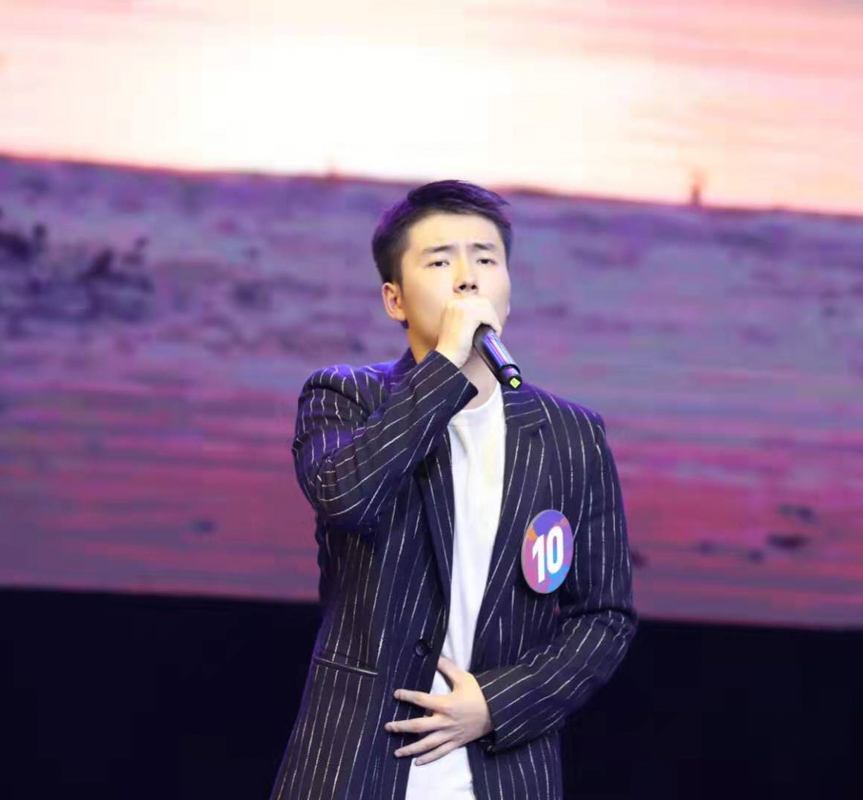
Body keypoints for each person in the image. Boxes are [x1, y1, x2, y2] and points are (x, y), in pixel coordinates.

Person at [268, 180, 637, 800]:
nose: (468, 279)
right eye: (440, 263)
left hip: (503, 772)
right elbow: (347, 496)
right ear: (394, 298)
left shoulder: (571, 435)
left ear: (508, 285)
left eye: (485, 259)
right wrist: (445, 364)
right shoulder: (345, 397)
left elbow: (603, 617)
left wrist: (495, 704)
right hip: (356, 766)